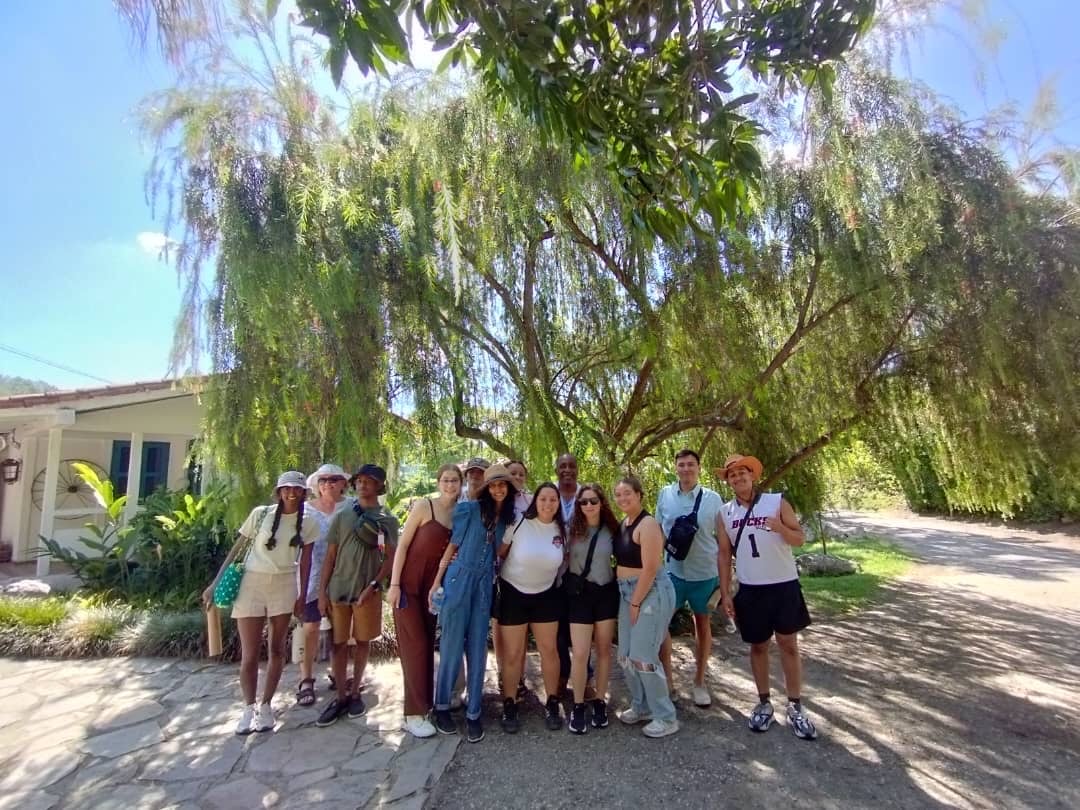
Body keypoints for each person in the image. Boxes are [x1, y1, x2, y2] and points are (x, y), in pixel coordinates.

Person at [203, 471, 320, 736]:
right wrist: (215, 583)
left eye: (297, 489)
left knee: (277, 649)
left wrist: (303, 595)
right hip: (252, 583)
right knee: (250, 654)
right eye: (286, 488)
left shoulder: (310, 521)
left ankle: (266, 705)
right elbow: (237, 549)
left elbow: (306, 561)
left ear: (303, 493)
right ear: (278, 491)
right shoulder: (260, 514)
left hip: (284, 583)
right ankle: (248, 707)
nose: (291, 493)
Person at [717, 454, 817, 740]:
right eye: (732, 475)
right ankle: (763, 703)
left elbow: (799, 539)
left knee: (788, 644)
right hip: (751, 588)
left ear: (753, 475)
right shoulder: (725, 513)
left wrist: (781, 528)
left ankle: (796, 706)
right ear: (728, 481)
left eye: (742, 472)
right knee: (758, 646)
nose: (738, 477)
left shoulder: (777, 502)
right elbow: (724, 554)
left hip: (783, 585)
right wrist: (725, 593)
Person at [430, 463, 518, 743]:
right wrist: (437, 582)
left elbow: (501, 553)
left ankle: (474, 713)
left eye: (502, 484)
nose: (498, 489)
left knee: (479, 648)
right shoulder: (468, 510)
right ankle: (441, 706)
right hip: (458, 580)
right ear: (485, 488)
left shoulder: (506, 518)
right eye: (493, 485)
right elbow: (452, 547)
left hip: (484, 585)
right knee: (451, 645)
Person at [316, 464, 398, 727]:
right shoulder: (343, 516)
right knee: (338, 643)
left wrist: (373, 585)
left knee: (363, 641)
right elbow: (330, 556)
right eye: (359, 480)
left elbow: (389, 557)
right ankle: (339, 696)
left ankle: (355, 693)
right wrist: (321, 591)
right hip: (338, 589)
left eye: (369, 481)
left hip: (367, 591)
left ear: (379, 486)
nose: (362, 484)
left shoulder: (386, 519)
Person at [386, 464, 461, 738]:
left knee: (427, 645)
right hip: (407, 586)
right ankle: (412, 714)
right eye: (445, 480)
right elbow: (403, 545)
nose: (450, 485)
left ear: (461, 483)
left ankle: (423, 707)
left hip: (432, 590)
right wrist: (394, 584)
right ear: (439, 481)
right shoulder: (424, 506)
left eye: (455, 480)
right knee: (415, 646)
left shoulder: (459, 514)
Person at [496, 482, 567, 733]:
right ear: (535, 501)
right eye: (543, 499)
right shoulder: (518, 523)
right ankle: (509, 703)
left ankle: (552, 702)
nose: (548, 504)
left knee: (550, 651)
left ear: (558, 504)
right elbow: (501, 553)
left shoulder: (561, 529)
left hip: (546, 595)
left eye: (553, 500)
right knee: (513, 654)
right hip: (513, 593)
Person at [656, 448, 724, 707]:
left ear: (699, 468)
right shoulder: (665, 495)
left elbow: (722, 538)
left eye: (691, 464)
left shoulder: (713, 499)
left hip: (704, 574)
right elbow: (659, 532)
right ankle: (669, 684)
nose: (686, 469)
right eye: (681, 464)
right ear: (675, 468)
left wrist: (725, 576)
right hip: (673, 573)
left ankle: (699, 682)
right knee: (662, 626)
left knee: (702, 625)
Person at [612, 475, 679, 738]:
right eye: (618, 495)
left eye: (627, 493)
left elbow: (651, 567)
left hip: (649, 592)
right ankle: (641, 706)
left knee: (643, 655)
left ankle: (665, 715)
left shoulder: (648, 523)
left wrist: (637, 601)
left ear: (639, 495)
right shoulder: (623, 523)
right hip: (626, 592)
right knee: (626, 654)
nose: (622, 498)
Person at [565, 483, 620, 734]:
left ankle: (599, 701)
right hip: (579, 595)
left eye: (593, 501)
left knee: (604, 650)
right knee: (579, 653)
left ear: (602, 503)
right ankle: (578, 705)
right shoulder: (571, 529)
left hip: (605, 593)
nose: (588, 506)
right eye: (583, 502)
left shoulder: (612, 530)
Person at [296, 463, 350, 707]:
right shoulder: (304, 511)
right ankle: (306, 679)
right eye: (323, 480)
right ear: (316, 485)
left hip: (343, 579)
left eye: (333, 479)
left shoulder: (351, 507)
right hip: (311, 579)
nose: (328, 483)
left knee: (340, 631)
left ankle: (337, 674)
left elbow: (377, 536)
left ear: (343, 483)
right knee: (310, 629)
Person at [554, 453, 582, 696]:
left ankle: (587, 675)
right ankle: (563, 675)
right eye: (562, 466)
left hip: (580, 573)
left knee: (582, 626)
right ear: (556, 470)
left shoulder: (587, 496)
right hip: (552, 575)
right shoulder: (547, 494)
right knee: (559, 630)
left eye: (571, 466)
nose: (567, 470)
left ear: (578, 470)